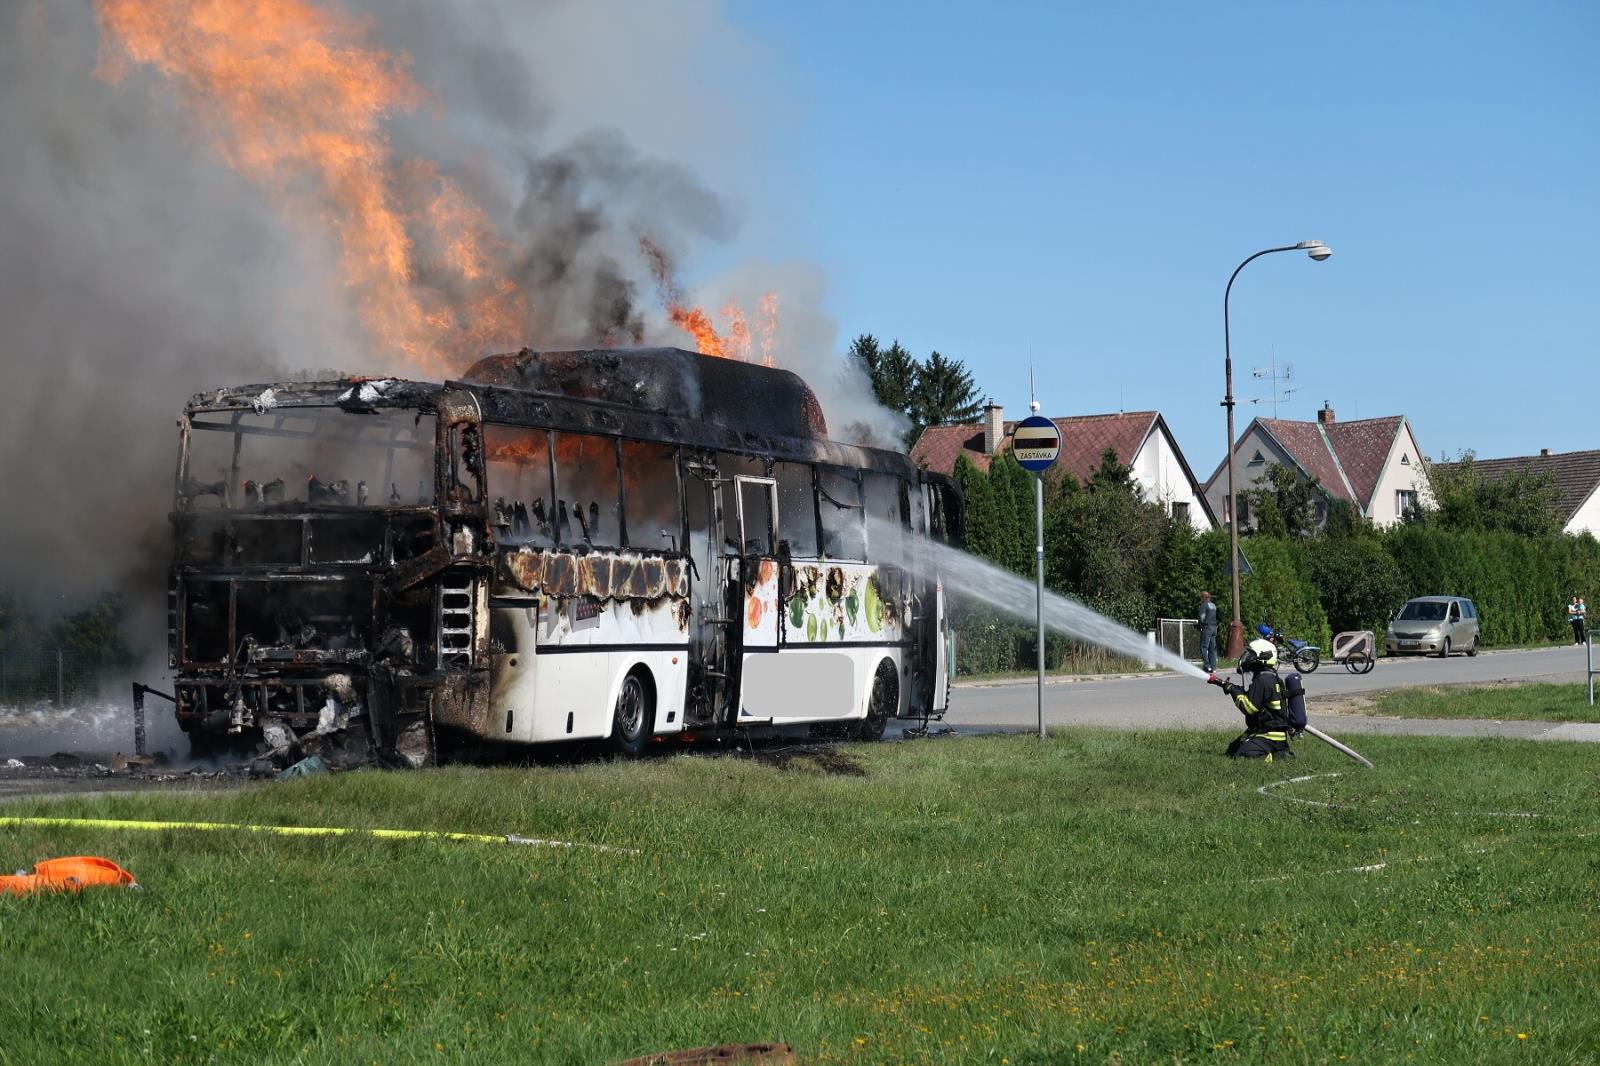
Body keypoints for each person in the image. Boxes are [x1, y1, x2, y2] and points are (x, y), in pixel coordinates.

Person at [1206, 636, 1292, 761]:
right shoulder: (1267, 676)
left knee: (1243, 756)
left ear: (1262, 657)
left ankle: (1277, 756)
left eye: (1251, 655)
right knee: (1231, 751)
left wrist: (1233, 691)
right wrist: (1227, 686)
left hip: (1271, 736)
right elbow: (1254, 699)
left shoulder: (1263, 680)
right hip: (1263, 731)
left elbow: (1249, 707)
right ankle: (1276, 750)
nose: (1246, 658)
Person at [1197, 591, 1218, 672]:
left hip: (1207, 627)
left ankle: (1207, 666)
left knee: (1203, 647)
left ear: (1203, 598)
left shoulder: (1204, 605)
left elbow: (1202, 617)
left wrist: (1199, 626)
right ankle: (1213, 667)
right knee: (1212, 648)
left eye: (1201, 598)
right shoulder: (1213, 605)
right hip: (1214, 628)